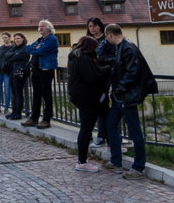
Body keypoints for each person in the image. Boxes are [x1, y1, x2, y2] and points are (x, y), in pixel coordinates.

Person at [103, 23, 158, 179]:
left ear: (110, 34)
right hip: (120, 96)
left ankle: (139, 167)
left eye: (107, 36)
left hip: (126, 97)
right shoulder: (121, 48)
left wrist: (119, 89)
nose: (107, 39)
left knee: (135, 131)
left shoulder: (128, 48)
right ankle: (116, 162)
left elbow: (132, 73)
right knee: (111, 124)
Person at [67, 36, 111, 172]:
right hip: (88, 97)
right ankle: (81, 161)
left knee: (107, 117)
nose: (96, 49)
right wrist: (107, 70)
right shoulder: (84, 59)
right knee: (86, 128)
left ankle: (111, 145)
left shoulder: (75, 57)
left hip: (83, 95)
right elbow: (92, 79)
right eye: (95, 47)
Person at [86, 18, 117, 149]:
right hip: (92, 76)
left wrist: (99, 59)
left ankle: (102, 136)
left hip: (105, 75)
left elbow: (114, 57)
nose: (92, 28)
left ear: (99, 26)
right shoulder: (88, 39)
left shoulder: (106, 40)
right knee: (91, 106)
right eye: (90, 26)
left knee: (102, 105)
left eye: (94, 26)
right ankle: (89, 135)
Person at [23, 20, 59, 129]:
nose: (40, 28)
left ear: (49, 28)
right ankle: (34, 118)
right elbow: (27, 49)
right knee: (36, 95)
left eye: (42, 26)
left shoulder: (52, 39)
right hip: (36, 69)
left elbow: (40, 51)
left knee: (46, 95)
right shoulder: (40, 40)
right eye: (39, 26)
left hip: (46, 70)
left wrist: (36, 49)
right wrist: (35, 49)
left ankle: (46, 120)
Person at [6, 34, 30, 120]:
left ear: (23, 39)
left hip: (20, 72)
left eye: (18, 38)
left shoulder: (25, 48)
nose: (16, 40)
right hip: (12, 71)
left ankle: (18, 113)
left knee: (18, 92)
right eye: (15, 39)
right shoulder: (14, 48)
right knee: (14, 93)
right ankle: (14, 111)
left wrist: (12, 56)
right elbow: (6, 56)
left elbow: (18, 56)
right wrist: (13, 55)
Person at [0, 32, 13, 115]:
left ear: (9, 38)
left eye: (5, 37)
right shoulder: (1, 48)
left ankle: (6, 108)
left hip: (7, 72)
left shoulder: (13, 48)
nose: (4, 39)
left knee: (7, 91)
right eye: (3, 38)